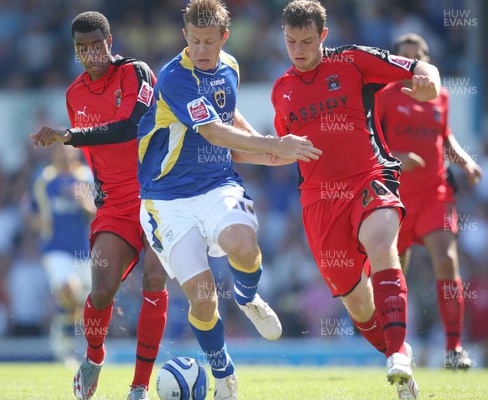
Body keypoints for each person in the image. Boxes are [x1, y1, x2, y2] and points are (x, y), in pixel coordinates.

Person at [136, 1, 320, 399]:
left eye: (209, 42)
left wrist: (268, 153)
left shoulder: (230, 68)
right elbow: (214, 133)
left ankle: (248, 297)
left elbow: (230, 121)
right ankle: (223, 376)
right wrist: (273, 144)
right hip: (166, 200)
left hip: (217, 184)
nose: (201, 50)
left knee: (243, 243)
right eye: (195, 41)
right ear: (185, 36)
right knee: (202, 298)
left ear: (225, 37)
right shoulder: (174, 77)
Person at [269, 1, 443, 398]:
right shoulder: (281, 91)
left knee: (383, 244)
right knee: (360, 308)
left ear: (323, 37)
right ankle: (398, 360)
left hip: (369, 177)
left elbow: (418, 68)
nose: (298, 48)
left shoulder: (353, 62)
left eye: (307, 41)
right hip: (318, 202)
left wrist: (429, 80)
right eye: (291, 40)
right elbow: (281, 151)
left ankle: (398, 352)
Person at [29, 11, 168, 400]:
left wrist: (68, 135)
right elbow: (94, 151)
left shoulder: (135, 73)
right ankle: (93, 358)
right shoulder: (74, 94)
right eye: (81, 49)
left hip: (158, 195)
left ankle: (139, 386)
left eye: (96, 45)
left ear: (110, 41)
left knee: (155, 281)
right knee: (101, 290)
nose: (90, 55)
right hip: (117, 203)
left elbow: (130, 126)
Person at [375, 33, 482, 370]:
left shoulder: (442, 96)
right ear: (396, 62)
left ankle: (454, 349)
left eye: (418, 57)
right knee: (395, 275)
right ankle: (396, 350)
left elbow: (444, 137)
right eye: (406, 58)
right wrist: (396, 158)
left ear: (428, 61)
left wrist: (464, 160)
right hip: (395, 197)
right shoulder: (384, 95)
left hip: (436, 193)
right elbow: (371, 140)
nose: (414, 66)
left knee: (447, 261)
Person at [27, 145, 93, 364]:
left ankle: (66, 338)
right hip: (55, 248)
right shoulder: (43, 179)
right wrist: (39, 224)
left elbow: (97, 210)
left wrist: (82, 200)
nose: (64, 153)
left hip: (83, 249)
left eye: (68, 148)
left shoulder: (85, 176)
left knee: (84, 303)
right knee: (68, 287)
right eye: (59, 148)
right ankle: (62, 344)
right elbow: (31, 213)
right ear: (52, 152)